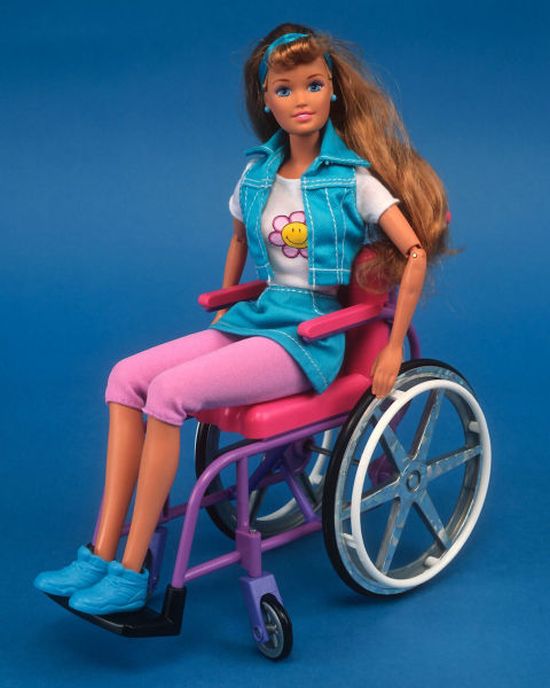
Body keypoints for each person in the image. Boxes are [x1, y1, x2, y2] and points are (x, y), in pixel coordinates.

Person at [34, 23, 449, 615]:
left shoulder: (353, 181)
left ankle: (130, 571)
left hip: (310, 336)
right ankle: (100, 551)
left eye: (313, 85)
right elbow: (237, 237)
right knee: (124, 377)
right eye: (285, 89)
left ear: (333, 90)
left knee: (169, 394)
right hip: (256, 317)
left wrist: (390, 348)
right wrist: (228, 299)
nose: (301, 100)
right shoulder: (256, 174)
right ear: (265, 99)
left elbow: (414, 252)